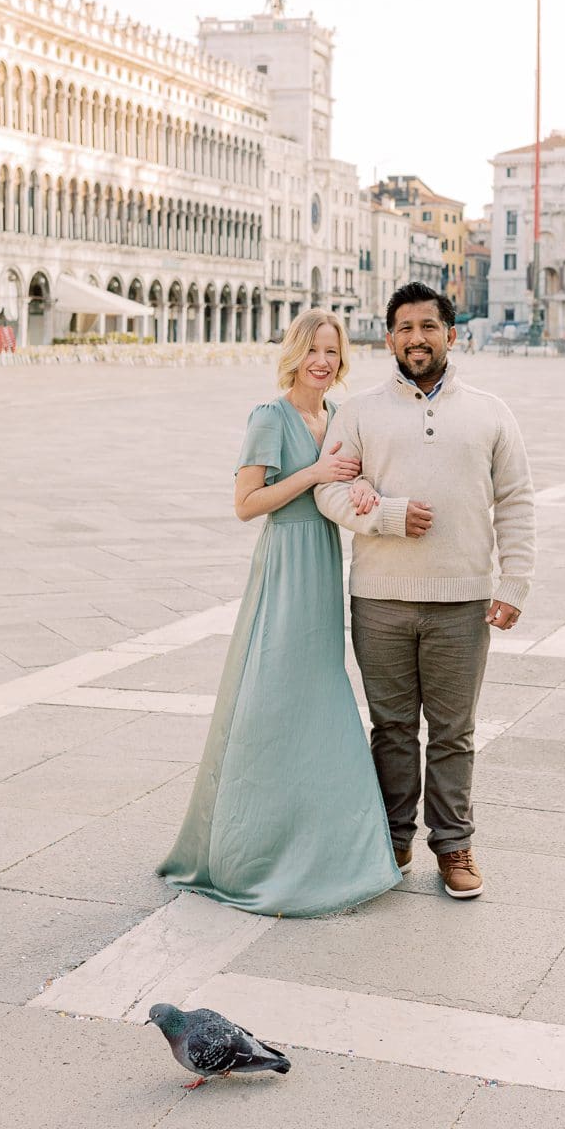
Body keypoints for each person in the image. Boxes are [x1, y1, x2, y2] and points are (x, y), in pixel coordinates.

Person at [156, 311, 401, 916]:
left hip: (323, 561)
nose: (322, 360)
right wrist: (315, 473)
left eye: (331, 351)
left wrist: (362, 489)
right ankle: (255, 847)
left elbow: (348, 482)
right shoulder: (270, 417)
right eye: (313, 349)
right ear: (294, 353)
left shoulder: (339, 416)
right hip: (286, 560)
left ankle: (323, 845)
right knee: (273, 695)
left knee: (317, 696)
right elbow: (246, 504)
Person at [314, 282, 535, 901]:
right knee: (388, 728)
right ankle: (392, 838)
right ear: (389, 339)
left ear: (451, 334)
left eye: (428, 327)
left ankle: (454, 844)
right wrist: (384, 515)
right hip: (380, 598)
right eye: (404, 328)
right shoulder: (356, 412)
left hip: (462, 600)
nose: (417, 338)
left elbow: (516, 500)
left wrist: (514, 581)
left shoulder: (491, 412)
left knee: (453, 731)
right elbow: (329, 490)